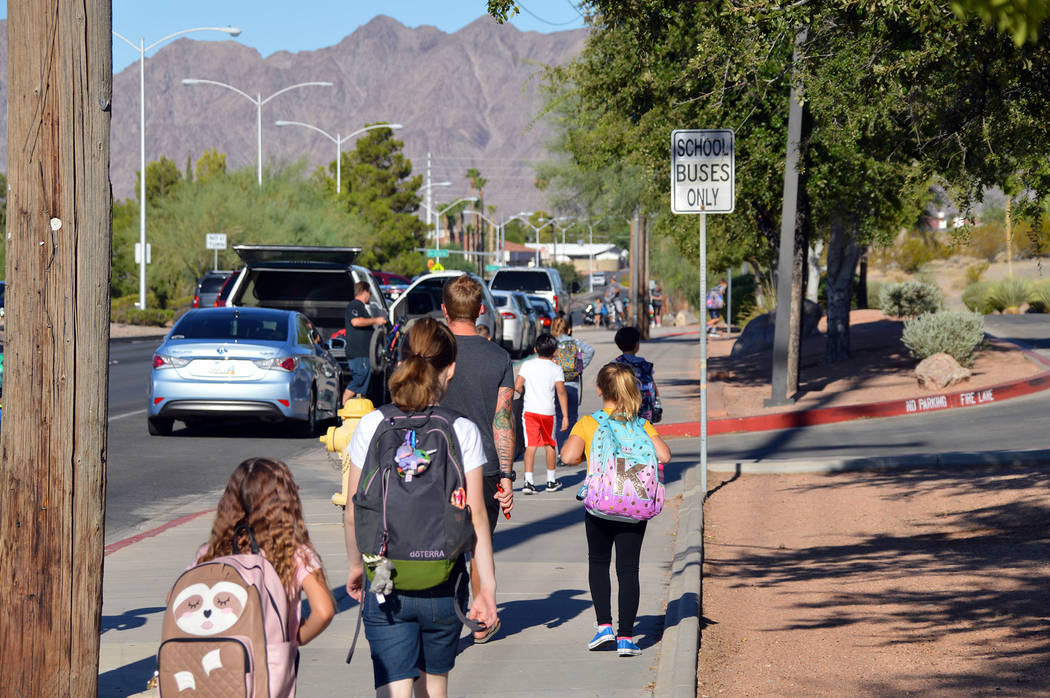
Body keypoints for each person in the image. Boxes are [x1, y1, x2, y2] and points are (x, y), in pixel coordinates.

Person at [344, 318, 498, 698]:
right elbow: (477, 515)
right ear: (450, 369)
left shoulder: (372, 424)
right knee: (434, 689)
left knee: (393, 689)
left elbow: (353, 508)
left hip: (384, 575)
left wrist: (354, 566)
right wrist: (487, 590)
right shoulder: (461, 429)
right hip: (443, 578)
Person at [560, 362, 671, 657]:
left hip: (600, 505)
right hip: (634, 504)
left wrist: (588, 454)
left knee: (598, 562)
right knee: (628, 568)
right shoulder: (641, 424)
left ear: (599, 390)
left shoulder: (589, 423)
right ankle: (626, 638)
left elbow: (568, 456)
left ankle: (604, 628)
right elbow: (664, 454)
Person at [195, 457, 335, 657]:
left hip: (215, 661)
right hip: (269, 663)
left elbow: (174, 598)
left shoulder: (212, 552)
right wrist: (295, 638)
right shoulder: (294, 554)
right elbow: (324, 611)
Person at [439, 274, 514, 643]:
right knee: (478, 543)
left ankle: (445, 619)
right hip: (483, 465)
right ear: (481, 310)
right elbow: (504, 419)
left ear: (444, 311)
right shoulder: (498, 357)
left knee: (440, 543)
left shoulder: (432, 353)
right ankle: (482, 613)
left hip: (435, 463)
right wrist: (507, 474)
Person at [514, 333, 570, 494]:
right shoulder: (556, 368)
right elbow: (561, 392)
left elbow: (517, 386)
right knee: (550, 445)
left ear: (535, 349)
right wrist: (565, 416)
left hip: (530, 411)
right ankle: (551, 481)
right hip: (548, 413)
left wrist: (525, 391)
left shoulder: (527, 366)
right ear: (554, 351)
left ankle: (528, 482)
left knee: (530, 446)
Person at [550, 316, 595, 460]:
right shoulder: (575, 342)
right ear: (569, 329)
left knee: (559, 417)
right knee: (572, 418)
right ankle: (572, 450)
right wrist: (579, 367)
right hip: (573, 384)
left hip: (557, 387)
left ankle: (559, 452)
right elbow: (590, 350)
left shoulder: (552, 343)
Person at [343, 281, 387, 403]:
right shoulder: (355, 305)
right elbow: (355, 322)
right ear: (365, 292)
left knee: (364, 385)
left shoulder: (361, 307)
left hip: (364, 354)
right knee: (359, 379)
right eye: (369, 293)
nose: (370, 296)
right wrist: (375, 320)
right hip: (358, 353)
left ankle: (358, 412)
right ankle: (343, 405)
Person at [613, 326, 661, 424]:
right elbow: (653, 385)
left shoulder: (615, 364)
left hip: (624, 409)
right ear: (636, 345)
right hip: (645, 410)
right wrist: (657, 404)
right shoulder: (645, 365)